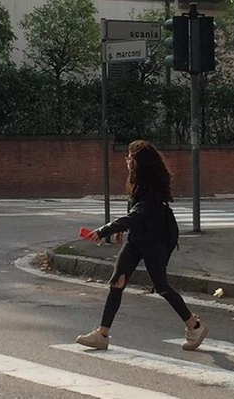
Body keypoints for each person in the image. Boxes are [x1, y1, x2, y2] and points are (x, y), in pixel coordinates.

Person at [76, 140, 206, 351]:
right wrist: (122, 229)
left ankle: (195, 326)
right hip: (136, 240)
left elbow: (137, 215)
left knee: (162, 287)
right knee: (117, 281)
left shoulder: (152, 192)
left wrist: (103, 231)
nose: (127, 160)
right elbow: (135, 216)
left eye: (130, 157)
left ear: (140, 163)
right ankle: (102, 334)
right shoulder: (140, 184)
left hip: (153, 243)